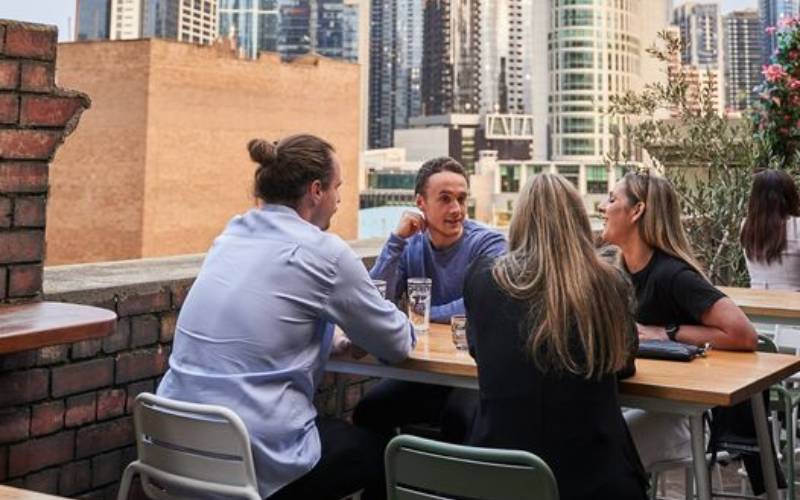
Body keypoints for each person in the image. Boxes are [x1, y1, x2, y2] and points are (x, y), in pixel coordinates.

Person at [157, 134, 414, 500]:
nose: (340, 200)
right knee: (385, 450)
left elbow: (262, 328)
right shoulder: (324, 252)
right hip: (249, 462)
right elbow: (398, 343)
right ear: (316, 191)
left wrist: (332, 342)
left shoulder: (231, 236)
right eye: (337, 188)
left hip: (172, 453)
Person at [463, 173, 647, 500]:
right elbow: (623, 363)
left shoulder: (482, 278)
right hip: (594, 478)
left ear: (520, 221)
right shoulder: (610, 283)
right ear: (577, 220)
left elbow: (479, 352)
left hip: (496, 475)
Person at [599, 170, 757, 470]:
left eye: (611, 199)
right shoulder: (619, 272)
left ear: (637, 211)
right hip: (642, 402)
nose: (602, 208)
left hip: (685, 417)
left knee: (599, 448)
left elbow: (744, 335)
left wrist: (666, 332)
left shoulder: (672, 275)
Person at [352, 157, 506, 443]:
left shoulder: (489, 244)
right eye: (445, 199)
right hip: (425, 371)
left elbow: (481, 302)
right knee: (368, 411)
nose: (456, 210)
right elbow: (373, 298)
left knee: (459, 416)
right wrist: (395, 242)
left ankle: (452, 487)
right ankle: (387, 486)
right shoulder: (410, 243)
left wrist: (422, 314)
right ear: (420, 202)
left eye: (461, 199)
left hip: (475, 373)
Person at [741, 169, 800, 291]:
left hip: (756, 301)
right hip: (792, 303)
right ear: (790, 195)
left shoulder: (747, 226)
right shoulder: (797, 225)